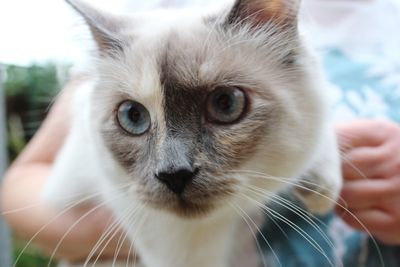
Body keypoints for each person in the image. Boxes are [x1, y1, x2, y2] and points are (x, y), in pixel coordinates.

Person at [2, 0, 400, 266]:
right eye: (133, 117)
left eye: (224, 104)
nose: (171, 166)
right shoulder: (149, 17)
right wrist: (125, 231)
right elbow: (23, 186)